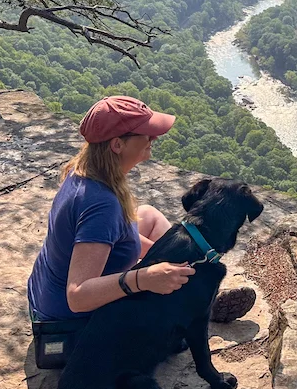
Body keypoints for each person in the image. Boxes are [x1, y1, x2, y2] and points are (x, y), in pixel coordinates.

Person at [27, 95, 255, 327]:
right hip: (68, 319)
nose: (153, 138)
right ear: (117, 145)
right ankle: (201, 303)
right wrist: (143, 279)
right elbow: (78, 296)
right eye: (146, 133)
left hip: (43, 296)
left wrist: (167, 257)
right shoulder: (101, 205)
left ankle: (196, 286)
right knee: (162, 307)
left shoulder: (84, 172)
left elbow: (108, 234)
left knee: (148, 215)